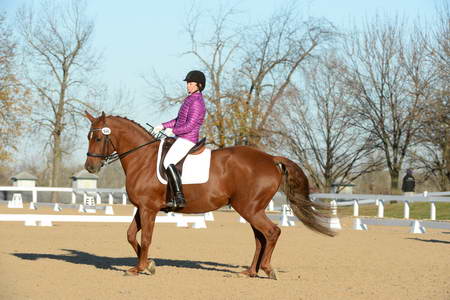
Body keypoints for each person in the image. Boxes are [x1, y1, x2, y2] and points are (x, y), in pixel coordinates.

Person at [153, 70, 206, 208]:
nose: (188, 85)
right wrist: (163, 126)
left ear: (199, 85)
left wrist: (174, 130)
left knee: (168, 161)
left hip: (187, 139)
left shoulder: (197, 102)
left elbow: (190, 125)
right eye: (188, 83)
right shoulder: (189, 99)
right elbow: (179, 120)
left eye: (191, 83)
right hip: (180, 137)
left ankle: (179, 197)